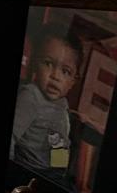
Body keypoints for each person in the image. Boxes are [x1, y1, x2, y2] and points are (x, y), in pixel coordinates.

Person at [11, 25, 83, 174]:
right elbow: (11, 136)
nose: (55, 76)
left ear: (73, 81)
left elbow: (60, 141)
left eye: (65, 71)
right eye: (48, 63)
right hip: (29, 168)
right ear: (34, 64)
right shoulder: (31, 96)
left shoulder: (62, 104)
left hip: (52, 172)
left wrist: (59, 173)